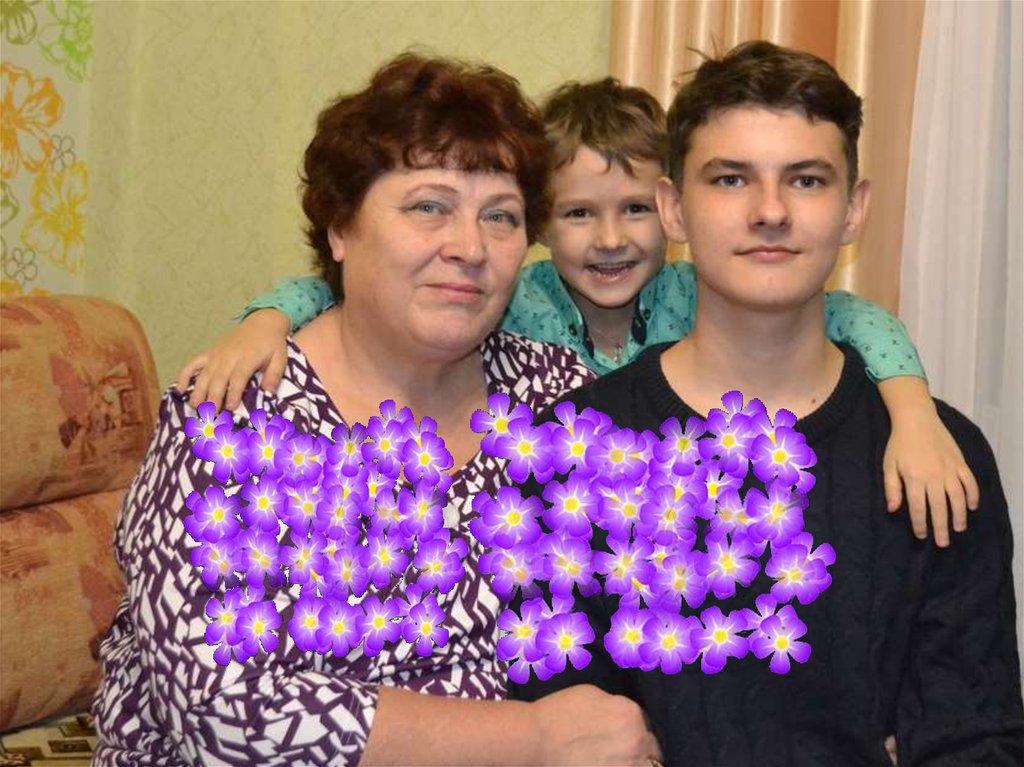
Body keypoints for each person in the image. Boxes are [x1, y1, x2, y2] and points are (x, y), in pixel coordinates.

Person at [91, 54, 664, 766]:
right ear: (341, 228)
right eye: (429, 207)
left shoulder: (558, 399)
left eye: (501, 216)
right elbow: (227, 713)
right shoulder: (233, 416)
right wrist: (534, 739)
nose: (470, 247)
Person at [175, 78, 977, 549]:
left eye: (634, 210)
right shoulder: (508, 296)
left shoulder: (697, 295)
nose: (611, 239)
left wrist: (912, 411)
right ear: (541, 227)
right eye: (579, 214)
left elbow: (851, 317)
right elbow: (351, 288)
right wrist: (264, 322)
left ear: (670, 212)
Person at [508, 41, 1024, 765]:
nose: (771, 211)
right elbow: (558, 727)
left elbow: (975, 736)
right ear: (674, 208)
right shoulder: (567, 452)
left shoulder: (940, 459)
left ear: (854, 210)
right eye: (731, 179)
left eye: (807, 180)